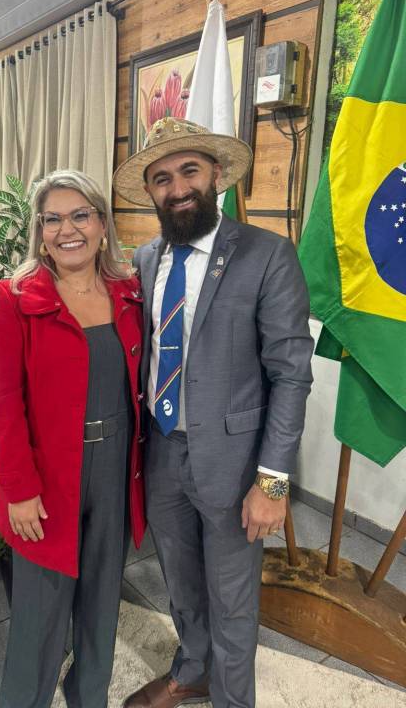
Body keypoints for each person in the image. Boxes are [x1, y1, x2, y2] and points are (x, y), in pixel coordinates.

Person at [112, 118, 314, 708]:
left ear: (216, 175)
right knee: (179, 581)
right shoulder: (145, 259)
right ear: (149, 191)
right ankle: (193, 670)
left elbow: (291, 375)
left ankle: (233, 699)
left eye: (190, 171)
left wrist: (273, 483)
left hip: (234, 463)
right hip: (162, 452)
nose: (178, 188)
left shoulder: (266, 255)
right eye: (162, 178)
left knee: (232, 597)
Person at [0, 169, 146, 708]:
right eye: (52, 219)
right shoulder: (14, 299)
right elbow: (3, 404)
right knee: (40, 614)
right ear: (40, 230)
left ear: (102, 223)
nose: (67, 230)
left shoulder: (128, 292)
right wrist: (18, 489)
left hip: (116, 466)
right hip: (47, 477)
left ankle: (88, 697)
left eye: (80, 215)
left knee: (102, 604)